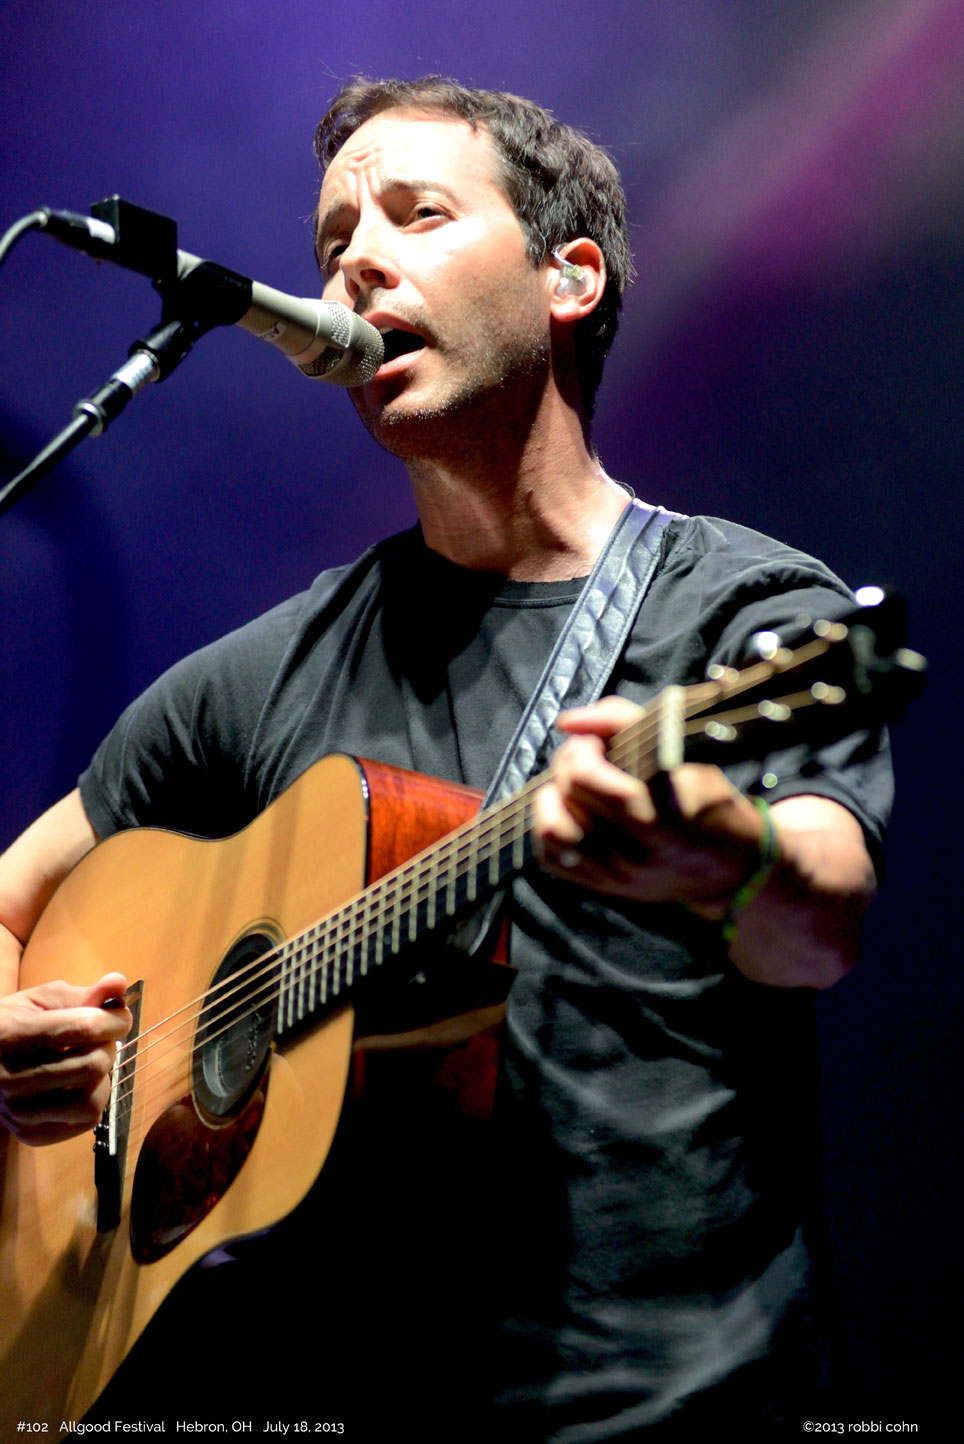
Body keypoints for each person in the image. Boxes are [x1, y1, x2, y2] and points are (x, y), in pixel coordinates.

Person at [0, 77, 891, 1438]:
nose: (354, 264)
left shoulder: (741, 610)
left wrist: (727, 854)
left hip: (673, 1404)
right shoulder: (268, 669)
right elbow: (13, 898)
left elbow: (819, 927)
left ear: (570, 278)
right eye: (334, 241)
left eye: (416, 214)